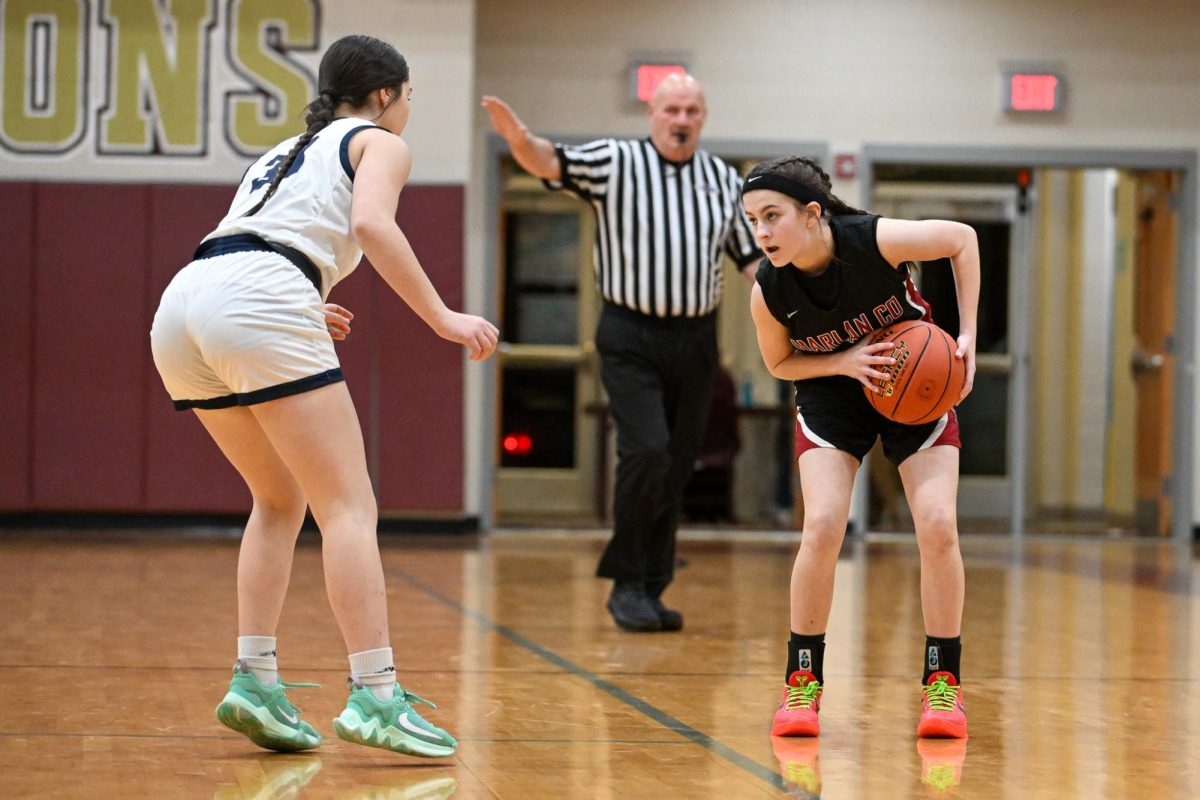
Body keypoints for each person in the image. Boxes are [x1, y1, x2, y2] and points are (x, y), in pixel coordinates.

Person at [149, 35, 498, 756]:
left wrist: (301, 302)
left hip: (185, 305)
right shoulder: (378, 141)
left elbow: (261, 241)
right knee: (348, 505)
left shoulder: (280, 150)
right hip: (260, 299)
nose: (408, 111)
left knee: (279, 500)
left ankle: (255, 679)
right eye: (408, 97)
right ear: (383, 96)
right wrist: (443, 317)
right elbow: (371, 224)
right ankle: (376, 697)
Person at [482, 74, 759, 632]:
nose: (680, 119)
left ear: (702, 118)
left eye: (691, 110)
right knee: (647, 451)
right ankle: (626, 582)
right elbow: (548, 162)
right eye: (671, 109)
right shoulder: (616, 163)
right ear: (652, 115)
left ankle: (652, 585)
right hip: (631, 335)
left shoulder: (724, 180)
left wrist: (797, 305)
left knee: (677, 465)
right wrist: (518, 138)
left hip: (696, 340)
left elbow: (751, 258)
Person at [742, 156, 978, 739]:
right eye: (753, 221)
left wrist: (966, 334)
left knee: (939, 524)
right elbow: (779, 362)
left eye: (773, 216)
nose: (763, 233)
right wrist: (845, 362)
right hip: (831, 392)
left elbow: (962, 240)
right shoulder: (769, 289)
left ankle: (942, 686)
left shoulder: (873, 239)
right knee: (822, 525)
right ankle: (802, 683)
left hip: (913, 383)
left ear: (813, 213)